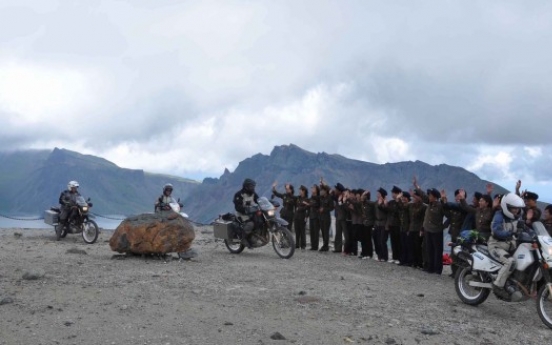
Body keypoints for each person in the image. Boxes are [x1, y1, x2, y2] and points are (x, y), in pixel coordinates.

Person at [488, 192, 525, 296]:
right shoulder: (499, 216)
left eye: (517, 208)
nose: (516, 210)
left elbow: (525, 229)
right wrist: (510, 233)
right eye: (513, 208)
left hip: (509, 246)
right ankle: (498, 286)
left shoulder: (517, 218)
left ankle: (511, 282)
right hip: (496, 245)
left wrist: (533, 235)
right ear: (506, 207)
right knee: (510, 262)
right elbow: (496, 231)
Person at [233, 178, 260, 248]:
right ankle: (243, 238)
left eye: (253, 186)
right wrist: (245, 209)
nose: (253, 188)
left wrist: (266, 204)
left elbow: (259, 201)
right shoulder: (239, 194)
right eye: (251, 186)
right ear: (246, 186)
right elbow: (237, 207)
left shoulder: (253, 194)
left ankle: (253, 237)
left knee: (259, 221)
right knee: (250, 224)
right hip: (241, 214)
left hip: (251, 212)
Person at [318, 184, 334, 252]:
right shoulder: (321, 198)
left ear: (325, 191)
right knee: (323, 232)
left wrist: (324, 209)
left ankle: (326, 246)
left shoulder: (329, 198)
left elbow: (332, 207)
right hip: (321, 217)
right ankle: (324, 245)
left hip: (326, 217)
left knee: (326, 232)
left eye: (322, 190)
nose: (321, 191)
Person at [294, 185, 309, 250]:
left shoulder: (307, 199)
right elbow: (295, 205)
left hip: (302, 217)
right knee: (297, 231)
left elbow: (307, 207)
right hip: (296, 216)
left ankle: (303, 245)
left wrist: (300, 209)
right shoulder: (298, 198)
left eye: (300, 190)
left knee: (302, 231)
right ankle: (297, 244)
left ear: (304, 191)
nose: (299, 191)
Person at [307, 184, 321, 250]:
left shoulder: (318, 197)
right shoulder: (311, 197)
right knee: (312, 232)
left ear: (316, 190)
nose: (312, 189)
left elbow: (317, 204)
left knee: (316, 232)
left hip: (316, 217)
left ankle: (316, 246)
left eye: (313, 188)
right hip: (311, 216)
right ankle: (312, 245)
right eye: (312, 188)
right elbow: (309, 206)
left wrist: (311, 204)